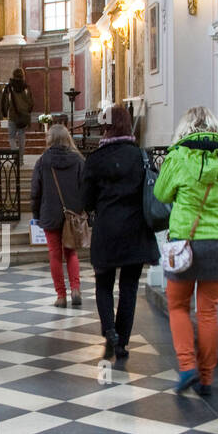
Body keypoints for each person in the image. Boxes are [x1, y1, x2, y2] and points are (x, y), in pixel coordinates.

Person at [153, 105, 218, 396]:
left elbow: (160, 194)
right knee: (208, 312)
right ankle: (207, 378)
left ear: (184, 129)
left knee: (178, 306)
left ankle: (187, 368)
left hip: (186, 243)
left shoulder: (178, 156)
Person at [82, 103, 160, 360]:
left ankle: (109, 331)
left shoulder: (94, 160)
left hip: (107, 231)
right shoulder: (141, 157)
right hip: (135, 230)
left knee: (103, 284)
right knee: (129, 287)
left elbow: (86, 202)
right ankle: (123, 341)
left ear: (105, 127)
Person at [31, 123, 83, 308]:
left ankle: (61, 296)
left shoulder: (43, 160)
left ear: (50, 139)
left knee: (55, 254)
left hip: (50, 212)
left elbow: (36, 190)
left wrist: (36, 214)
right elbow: (84, 187)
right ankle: (75, 289)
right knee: (71, 252)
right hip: (72, 214)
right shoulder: (78, 160)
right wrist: (81, 209)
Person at [1, 67, 33, 160]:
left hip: (12, 115)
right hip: (24, 115)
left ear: (13, 75)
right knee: (22, 136)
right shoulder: (26, 87)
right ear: (23, 75)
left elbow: (5, 101)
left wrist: (4, 112)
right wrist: (28, 111)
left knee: (11, 137)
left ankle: (16, 156)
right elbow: (31, 102)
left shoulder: (9, 87)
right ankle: (21, 158)